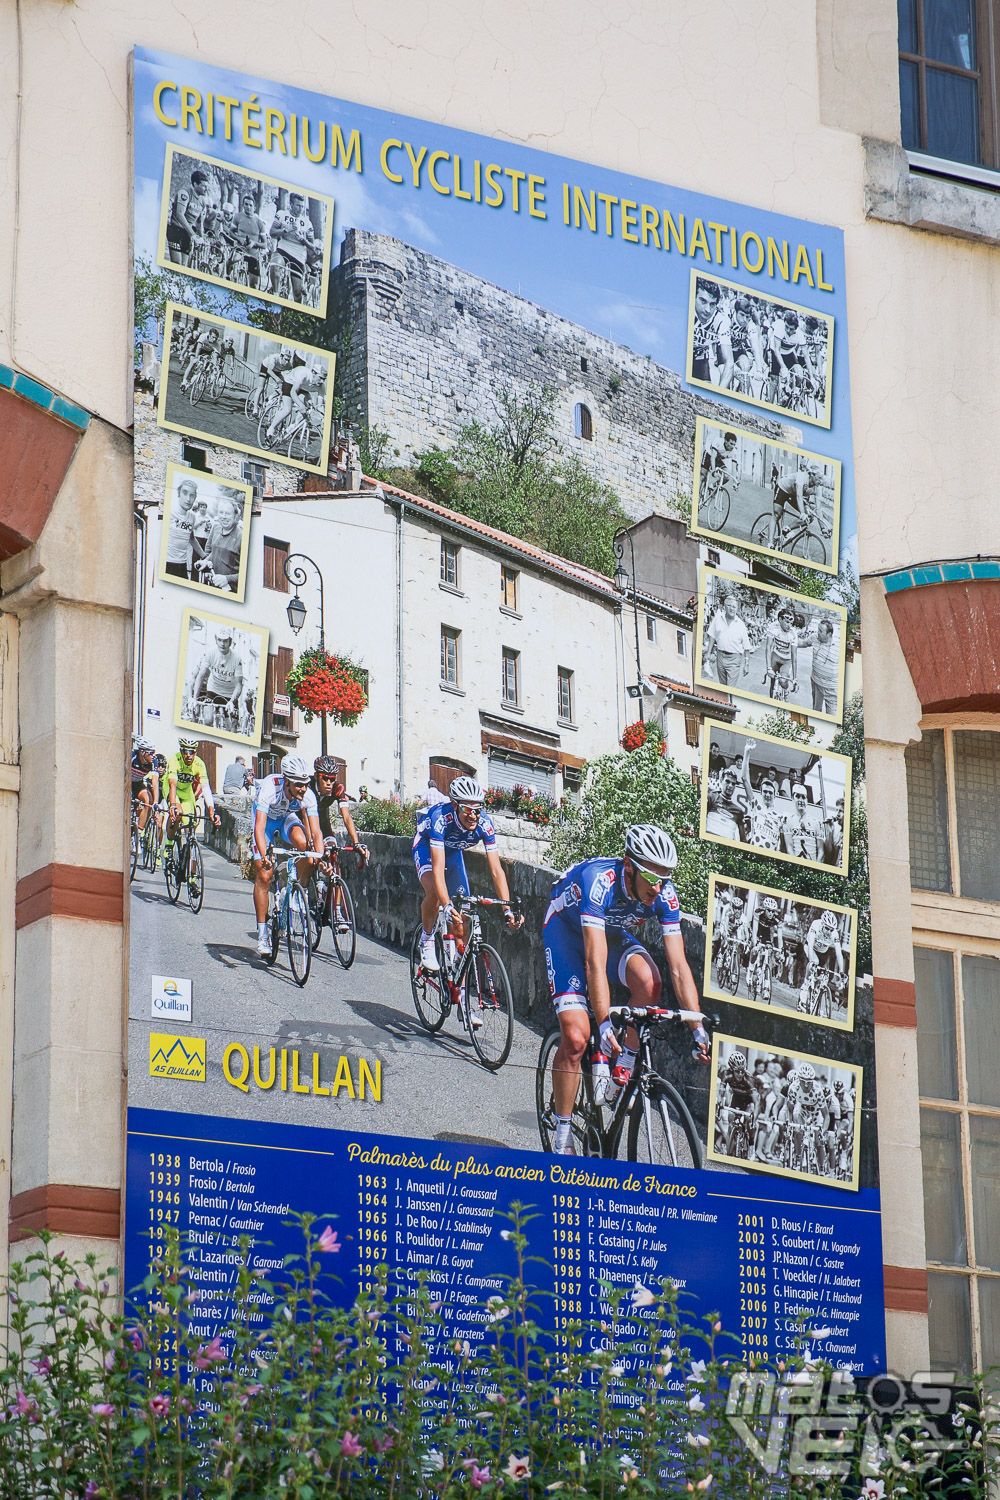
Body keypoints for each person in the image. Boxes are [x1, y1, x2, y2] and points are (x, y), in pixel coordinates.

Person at [543, 824, 709, 1155]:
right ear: (629, 867)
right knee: (576, 1037)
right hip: (566, 933)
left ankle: (624, 1064)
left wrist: (697, 1027)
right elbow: (594, 962)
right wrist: (604, 1023)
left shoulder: (664, 894)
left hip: (609, 933)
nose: (658, 887)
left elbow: (678, 966)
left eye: (664, 878)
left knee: (651, 982)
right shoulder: (598, 882)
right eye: (651, 877)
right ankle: (562, 1132)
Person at [411, 776, 519, 988]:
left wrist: (507, 909)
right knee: (434, 893)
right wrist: (446, 904)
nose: (473, 815)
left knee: (461, 925)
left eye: (477, 810)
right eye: (467, 810)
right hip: (427, 848)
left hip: (453, 854)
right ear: (454, 805)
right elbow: (438, 869)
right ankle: (427, 939)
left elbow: (496, 870)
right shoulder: (441, 819)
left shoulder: (485, 824)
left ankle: (459, 992)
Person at [251, 753, 325, 956]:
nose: (303, 789)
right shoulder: (270, 788)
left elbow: (316, 832)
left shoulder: (308, 795)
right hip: (265, 823)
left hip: (285, 818)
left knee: (305, 846)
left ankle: (290, 889)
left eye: (305, 784)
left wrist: (319, 858)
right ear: (286, 781)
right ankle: (262, 935)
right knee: (264, 875)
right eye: (298, 784)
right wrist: (264, 856)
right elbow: (259, 827)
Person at [310, 756, 370, 931]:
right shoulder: (308, 787)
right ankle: (310, 890)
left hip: (323, 825)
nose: (329, 783)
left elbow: (346, 817)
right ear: (316, 776)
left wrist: (356, 843)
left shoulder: (337, 789)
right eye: (325, 778)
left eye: (332, 779)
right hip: (306, 822)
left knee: (334, 857)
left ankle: (337, 911)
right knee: (312, 855)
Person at [164, 736, 220, 853]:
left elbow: (205, 788)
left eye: (191, 752)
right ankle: (169, 845)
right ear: (181, 752)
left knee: (190, 822)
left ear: (195, 753)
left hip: (186, 791)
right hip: (172, 788)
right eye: (185, 751)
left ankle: (189, 854)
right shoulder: (174, 759)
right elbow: (172, 784)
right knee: (178, 813)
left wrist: (211, 809)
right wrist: (173, 805)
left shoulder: (199, 764)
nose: (188, 755)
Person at [269, 192, 317, 302]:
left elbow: (312, 246)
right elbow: (272, 232)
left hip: (298, 255)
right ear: (291, 204)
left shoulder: (307, 223)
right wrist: (285, 230)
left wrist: (303, 240)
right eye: (298, 205)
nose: (301, 209)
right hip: (283, 249)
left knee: (297, 293)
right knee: (275, 265)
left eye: (302, 206)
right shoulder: (282, 214)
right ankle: (275, 296)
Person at [192, 626, 244, 723]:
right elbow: (200, 675)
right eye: (219, 640)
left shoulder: (237, 659)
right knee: (208, 720)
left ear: (230, 641)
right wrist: (194, 698)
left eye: (225, 641)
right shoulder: (210, 653)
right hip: (213, 690)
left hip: (229, 694)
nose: (222, 644)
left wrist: (232, 701)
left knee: (232, 725)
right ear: (216, 639)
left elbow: (239, 684)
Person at [799, 908, 846, 1012]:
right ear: (822, 924)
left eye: (831, 930)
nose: (829, 932)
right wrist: (811, 961)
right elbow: (810, 944)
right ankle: (805, 987)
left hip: (823, 952)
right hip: (811, 948)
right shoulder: (816, 925)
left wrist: (841, 971)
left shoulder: (834, 933)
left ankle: (816, 993)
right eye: (827, 929)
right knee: (814, 963)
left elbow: (839, 953)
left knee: (824, 976)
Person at [193, 496, 243, 593]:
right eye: (221, 512)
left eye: (227, 513)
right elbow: (214, 552)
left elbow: (248, 575)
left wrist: (227, 579)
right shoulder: (216, 528)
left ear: (235, 515)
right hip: (212, 587)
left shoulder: (242, 537)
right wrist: (205, 562)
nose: (223, 516)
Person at [690, 279, 733, 388]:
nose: (708, 310)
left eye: (712, 304)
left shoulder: (721, 321)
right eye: (703, 301)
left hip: (700, 357)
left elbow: (729, 363)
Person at [742, 745, 782, 852]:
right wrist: (747, 753)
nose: (767, 795)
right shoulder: (756, 806)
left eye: (770, 792)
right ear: (760, 792)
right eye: (765, 792)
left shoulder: (780, 817)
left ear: (775, 795)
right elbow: (744, 779)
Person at [705, 593, 751, 686]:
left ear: (737, 609)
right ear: (724, 607)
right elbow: (712, 636)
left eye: (734, 607)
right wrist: (708, 652)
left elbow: (746, 646)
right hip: (720, 656)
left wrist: (746, 664)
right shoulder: (718, 619)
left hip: (734, 659)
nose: (731, 609)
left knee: (730, 688)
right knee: (723, 686)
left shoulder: (740, 625)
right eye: (729, 606)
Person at [164, 477, 199, 580]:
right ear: (179, 494)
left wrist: (205, 556)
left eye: (192, 495)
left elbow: (191, 538)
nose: (188, 499)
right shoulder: (169, 512)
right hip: (167, 563)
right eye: (185, 493)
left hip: (183, 565)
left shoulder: (192, 516)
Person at [781, 780, 822, 862]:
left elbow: (821, 851)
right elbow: (789, 847)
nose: (801, 800)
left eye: (803, 797)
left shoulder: (816, 822)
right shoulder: (788, 820)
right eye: (798, 796)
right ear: (793, 798)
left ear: (807, 800)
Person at [764, 603, 798, 699]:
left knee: (783, 681)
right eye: (787, 622)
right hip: (776, 655)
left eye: (791, 623)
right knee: (773, 681)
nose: (789, 625)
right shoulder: (773, 628)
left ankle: (785, 690)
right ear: (780, 620)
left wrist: (795, 678)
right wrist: (768, 668)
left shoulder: (793, 634)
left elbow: (794, 657)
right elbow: (768, 647)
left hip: (787, 659)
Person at [807, 617, 840, 715]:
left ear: (829, 634)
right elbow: (803, 643)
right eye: (818, 629)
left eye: (821, 631)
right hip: (816, 683)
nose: (818, 632)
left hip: (831, 689)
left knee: (832, 715)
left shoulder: (839, 646)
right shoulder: (814, 638)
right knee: (816, 711)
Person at [130, 738, 160, 833]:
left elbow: (155, 782)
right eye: (151, 753)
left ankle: (139, 833)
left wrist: (155, 802)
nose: (153, 755)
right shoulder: (132, 756)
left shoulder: (154, 762)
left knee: (148, 801)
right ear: (142, 752)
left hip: (138, 783)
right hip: (127, 782)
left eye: (154, 752)